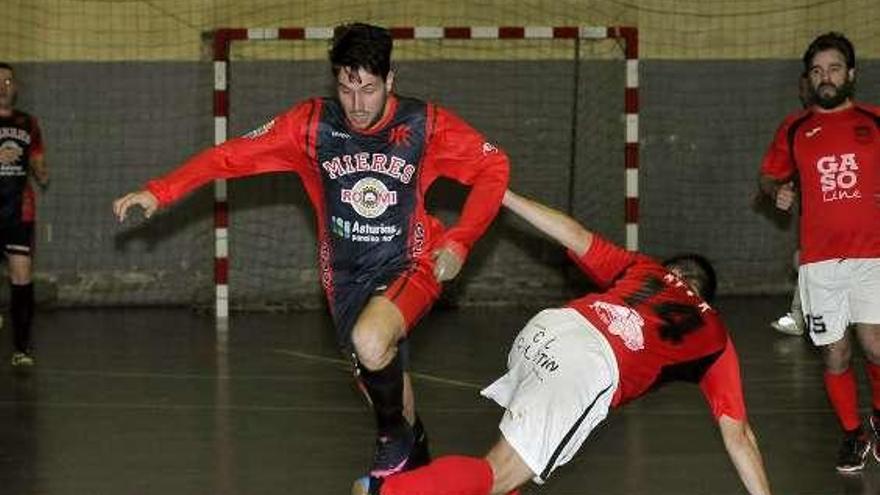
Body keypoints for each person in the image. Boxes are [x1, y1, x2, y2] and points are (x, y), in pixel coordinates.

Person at [112, 23, 509, 477]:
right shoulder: (310, 126)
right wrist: (160, 192)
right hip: (343, 279)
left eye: (369, 90)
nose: (357, 105)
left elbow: (493, 165)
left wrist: (460, 239)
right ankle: (417, 466)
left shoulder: (424, 124)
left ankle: (392, 439)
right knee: (391, 393)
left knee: (372, 344)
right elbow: (232, 156)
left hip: (412, 262)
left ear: (391, 81)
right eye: (346, 89)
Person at [352, 190, 772, 495]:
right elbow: (740, 438)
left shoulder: (642, 268)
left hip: (548, 329)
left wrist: (505, 195)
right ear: (706, 297)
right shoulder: (715, 334)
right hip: (588, 364)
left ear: (671, 273)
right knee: (499, 473)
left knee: (511, 471)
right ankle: (384, 491)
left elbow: (572, 233)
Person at [759, 32, 880, 473]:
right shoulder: (795, 128)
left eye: (833, 68)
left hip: (874, 256)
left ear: (851, 74)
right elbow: (769, 176)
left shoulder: (875, 121)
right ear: (808, 80)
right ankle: (853, 433)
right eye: (816, 71)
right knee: (835, 354)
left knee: (876, 346)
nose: (825, 77)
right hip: (820, 263)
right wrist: (777, 191)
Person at [0, 62, 48, 367]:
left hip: (18, 209)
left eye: (7, 81)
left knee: (22, 274)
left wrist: (41, 170)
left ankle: (21, 348)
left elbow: (38, 160)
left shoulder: (28, 122)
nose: (2, 86)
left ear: (15, 88)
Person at [768, 74, 811, 337]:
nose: (804, 93)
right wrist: (774, 190)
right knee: (804, 260)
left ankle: (799, 316)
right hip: (819, 226)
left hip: (860, 227)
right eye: (802, 87)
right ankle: (799, 316)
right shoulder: (797, 128)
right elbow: (774, 174)